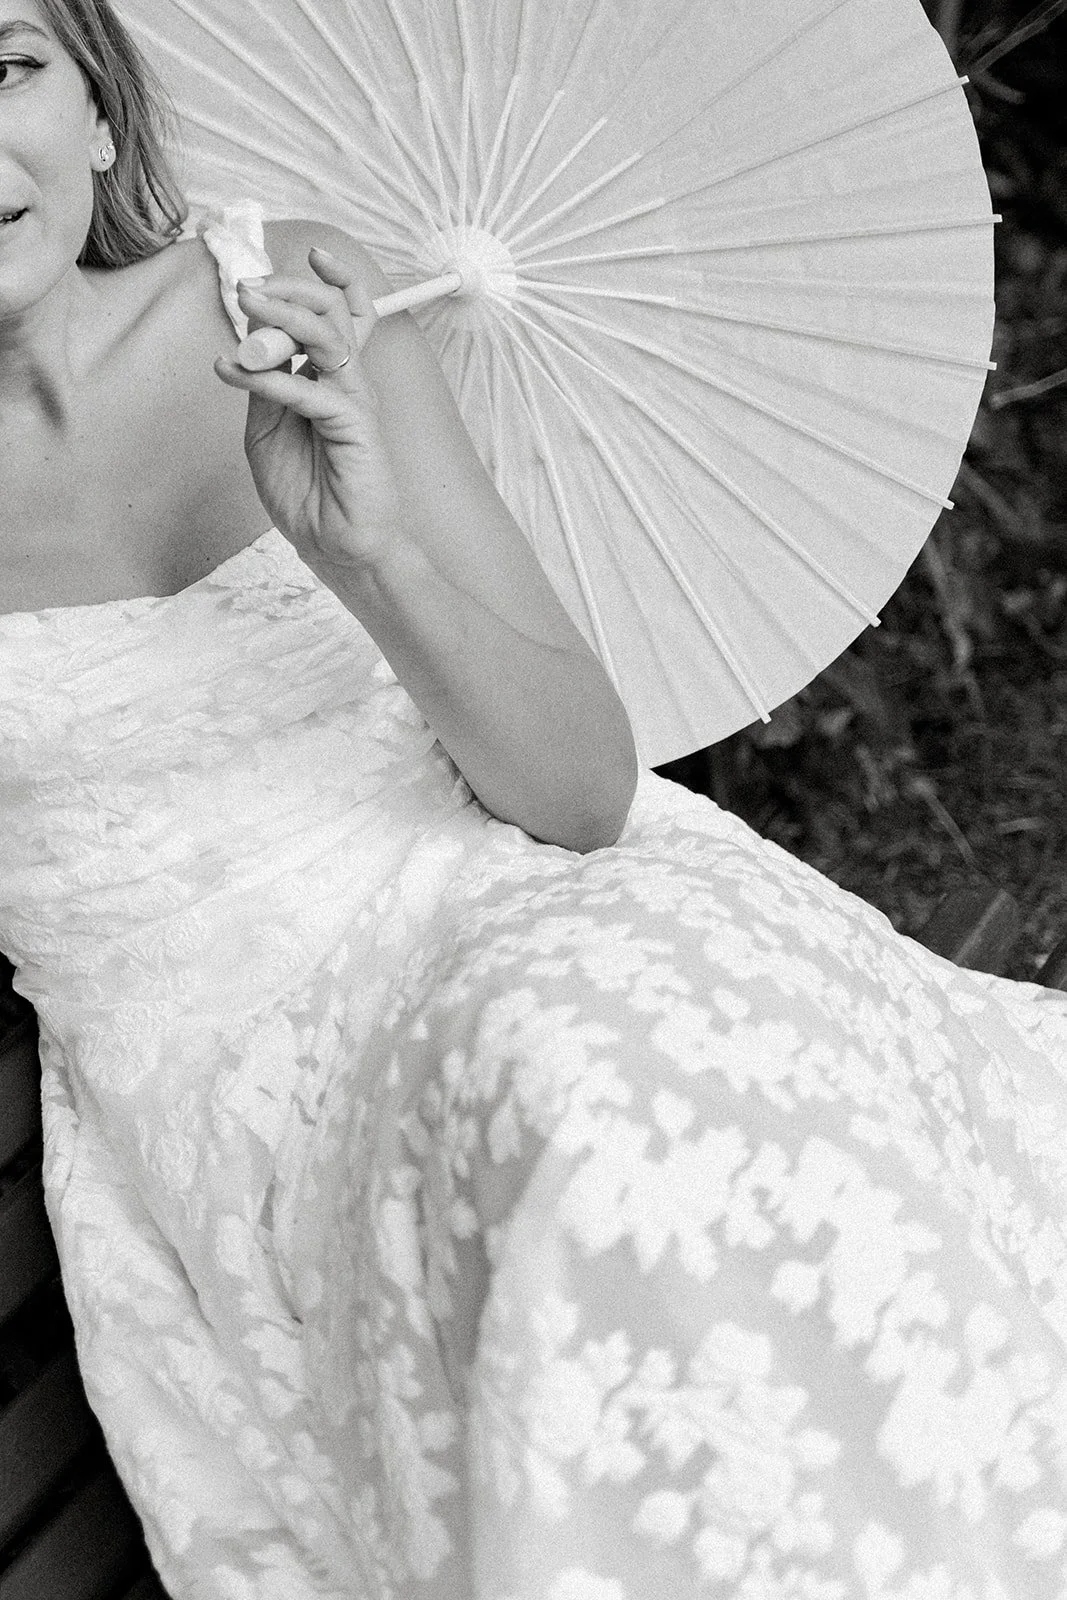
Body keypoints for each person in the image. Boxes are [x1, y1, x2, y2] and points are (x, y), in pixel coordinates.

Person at [2, 2, 1066, 1596]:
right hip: (241, 1091)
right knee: (578, 1136)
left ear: (96, 111)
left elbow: (577, 788)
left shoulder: (284, 302)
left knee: (605, 1081)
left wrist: (372, 555)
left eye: (6, 65)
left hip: (530, 901)